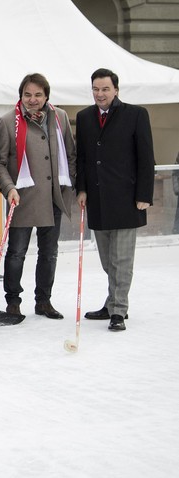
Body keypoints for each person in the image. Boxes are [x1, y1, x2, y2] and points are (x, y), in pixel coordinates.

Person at [76, 68, 155, 331]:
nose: (100, 94)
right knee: (107, 260)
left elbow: (146, 157)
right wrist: (82, 189)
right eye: (96, 89)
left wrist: (144, 195)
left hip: (126, 199)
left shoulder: (135, 114)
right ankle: (113, 302)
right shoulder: (85, 117)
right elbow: (84, 158)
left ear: (116, 90)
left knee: (122, 260)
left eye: (105, 89)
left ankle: (119, 311)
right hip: (98, 200)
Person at [0, 73, 76, 319]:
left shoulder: (60, 117)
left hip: (52, 198)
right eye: (27, 94)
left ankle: (43, 301)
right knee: (17, 252)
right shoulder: (8, 121)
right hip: (22, 198)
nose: (32, 99)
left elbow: (71, 154)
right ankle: (13, 301)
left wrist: (67, 184)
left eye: (38, 95)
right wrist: (9, 189)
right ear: (20, 96)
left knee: (49, 253)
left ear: (46, 96)